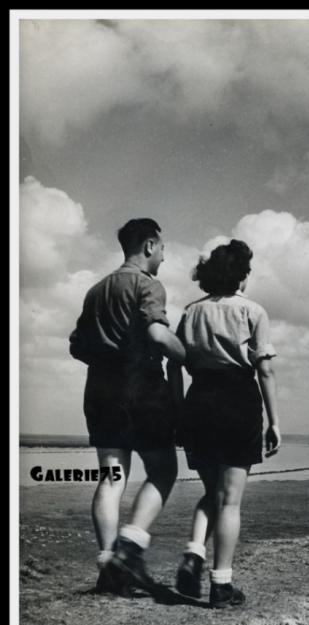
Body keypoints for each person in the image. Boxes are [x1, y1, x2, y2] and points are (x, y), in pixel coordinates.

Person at [69, 218, 187, 595]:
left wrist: (106, 357)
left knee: (111, 477)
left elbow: (77, 345)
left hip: (101, 388)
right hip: (142, 385)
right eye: (163, 249)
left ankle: (108, 565)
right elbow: (157, 333)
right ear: (150, 245)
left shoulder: (96, 290)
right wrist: (185, 355)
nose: (164, 257)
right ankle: (131, 547)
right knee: (163, 469)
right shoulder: (147, 284)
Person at [168, 239, 280, 609]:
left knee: (212, 491)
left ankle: (193, 551)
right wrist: (274, 422)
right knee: (230, 501)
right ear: (243, 276)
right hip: (237, 402)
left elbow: (174, 364)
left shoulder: (191, 312)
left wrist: (177, 410)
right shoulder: (253, 311)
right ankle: (221, 585)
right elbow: (264, 369)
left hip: (198, 401)